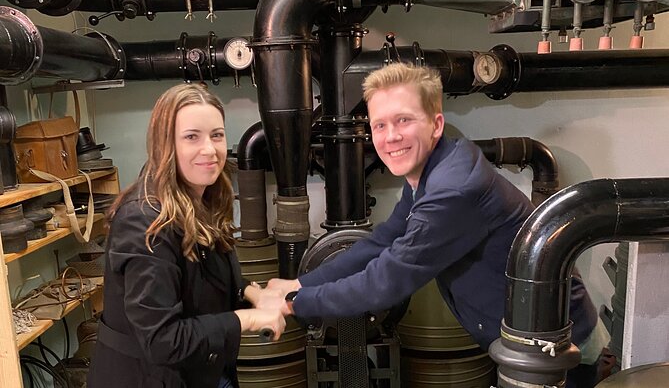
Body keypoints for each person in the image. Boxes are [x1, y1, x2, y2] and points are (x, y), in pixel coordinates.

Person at [263, 63, 609, 387]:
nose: (390, 137)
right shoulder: (433, 167)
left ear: (436, 124)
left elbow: (384, 282)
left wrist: (295, 303)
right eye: (380, 125)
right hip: (524, 334)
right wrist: (300, 282)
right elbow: (382, 240)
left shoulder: (451, 191)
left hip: (558, 350)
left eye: (404, 120)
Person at [88, 83, 286, 388]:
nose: (209, 149)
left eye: (217, 135)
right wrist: (248, 319)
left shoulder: (201, 196)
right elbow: (162, 339)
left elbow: (202, 278)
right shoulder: (142, 222)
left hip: (204, 368)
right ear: (165, 145)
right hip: (151, 378)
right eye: (192, 137)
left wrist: (252, 293)